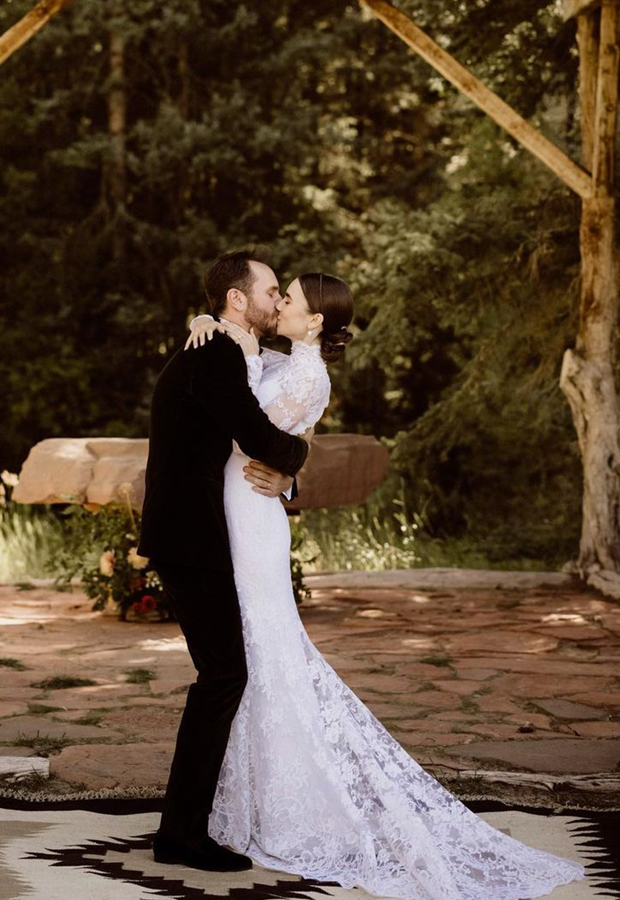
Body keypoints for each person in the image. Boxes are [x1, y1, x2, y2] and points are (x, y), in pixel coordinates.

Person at [182, 271, 588, 899]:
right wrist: (202, 322)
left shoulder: (308, 375)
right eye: (278, 293)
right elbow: (239, 372)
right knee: (248, 659)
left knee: (267, 653)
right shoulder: (275, 356)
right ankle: (246, 800)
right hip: (233, 511)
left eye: (289, 298)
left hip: (251, 518)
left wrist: (291, 472)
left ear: (314, 321)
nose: (281, 302)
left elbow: (250, 433)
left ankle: (293, 807)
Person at [137, 249, 310, 873]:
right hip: (190, 537)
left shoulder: (222, 350)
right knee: (223, 677)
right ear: (237, 299)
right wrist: (299, 457)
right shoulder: (211, 355)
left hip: (194, 534)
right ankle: (181, 835)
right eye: (268, 290)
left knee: (222, 676)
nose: (274, 300)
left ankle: (185, 825)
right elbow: (260, 437)